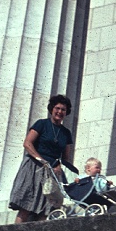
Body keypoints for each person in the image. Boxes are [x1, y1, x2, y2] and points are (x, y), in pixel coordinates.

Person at [8, 94, 74, 223]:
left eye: (63, 109)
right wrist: (41, 159)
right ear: (52, 109)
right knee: (26, 206)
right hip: (34, 167)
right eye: (57, 108)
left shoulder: (66, 133)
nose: (60, 112)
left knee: (46, 208)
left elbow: (66, 157)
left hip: (51, 172)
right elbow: (27, 143)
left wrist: (59, 165)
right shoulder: (42, 124)